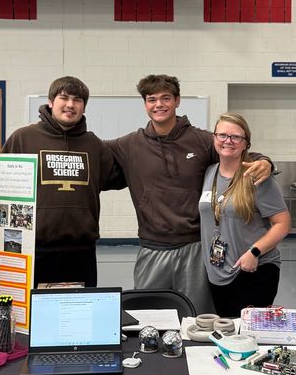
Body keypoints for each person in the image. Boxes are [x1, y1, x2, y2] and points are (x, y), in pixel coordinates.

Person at [107, 75, 272, 313]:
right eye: (151, 99)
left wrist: (265, 161)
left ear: (177, 101)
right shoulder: (129, 144)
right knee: (148, 317)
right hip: (152, 248)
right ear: (145, 104)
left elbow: (238, 152)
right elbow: (92, 150)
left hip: (195, 248)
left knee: (197, 317)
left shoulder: (202, 140)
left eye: (166, 98)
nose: (159, 104)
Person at [2, 75, 125, 288]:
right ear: (51, 102)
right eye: (64, 98)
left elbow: (115, 178)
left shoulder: (93, 145)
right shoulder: (23, 138)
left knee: (77, 315)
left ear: (84, 107)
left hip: (81, 250)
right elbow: (1, 185)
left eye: (77, 100)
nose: (70, 105)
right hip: (33, 249)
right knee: (32, 316)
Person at [199, 113, 290, 317]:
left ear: (246, 143)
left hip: (254, 270)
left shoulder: (258, 177)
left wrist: (254, 252)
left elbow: (282, 223)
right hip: (218, 270)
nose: (228, 141)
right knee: (228, 331)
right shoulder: (209, 173)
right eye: (222, 135)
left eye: (235, 137)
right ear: (214, 138)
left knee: (248, 336)